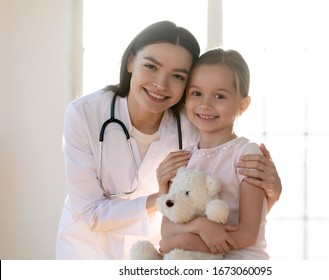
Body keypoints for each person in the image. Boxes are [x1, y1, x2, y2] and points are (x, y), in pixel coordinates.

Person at [56, 21, 281, 260]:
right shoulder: (85, 113)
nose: (161, 84)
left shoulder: (195, 120)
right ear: (131, 60)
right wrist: (166, 200)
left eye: (177, 76)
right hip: (89, 251)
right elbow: (90, 212)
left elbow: (230, 198)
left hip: (171, 252)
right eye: (151, 66)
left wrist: (271, 190)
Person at [157, 48, 270, 259]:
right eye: (196, 93)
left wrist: (184, 240)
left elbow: (247, 234)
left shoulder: (246, 154)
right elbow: (167, 230)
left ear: (243, 105)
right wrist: (200, 226)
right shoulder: (183, 159)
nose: (205, 104)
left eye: (219, 96)